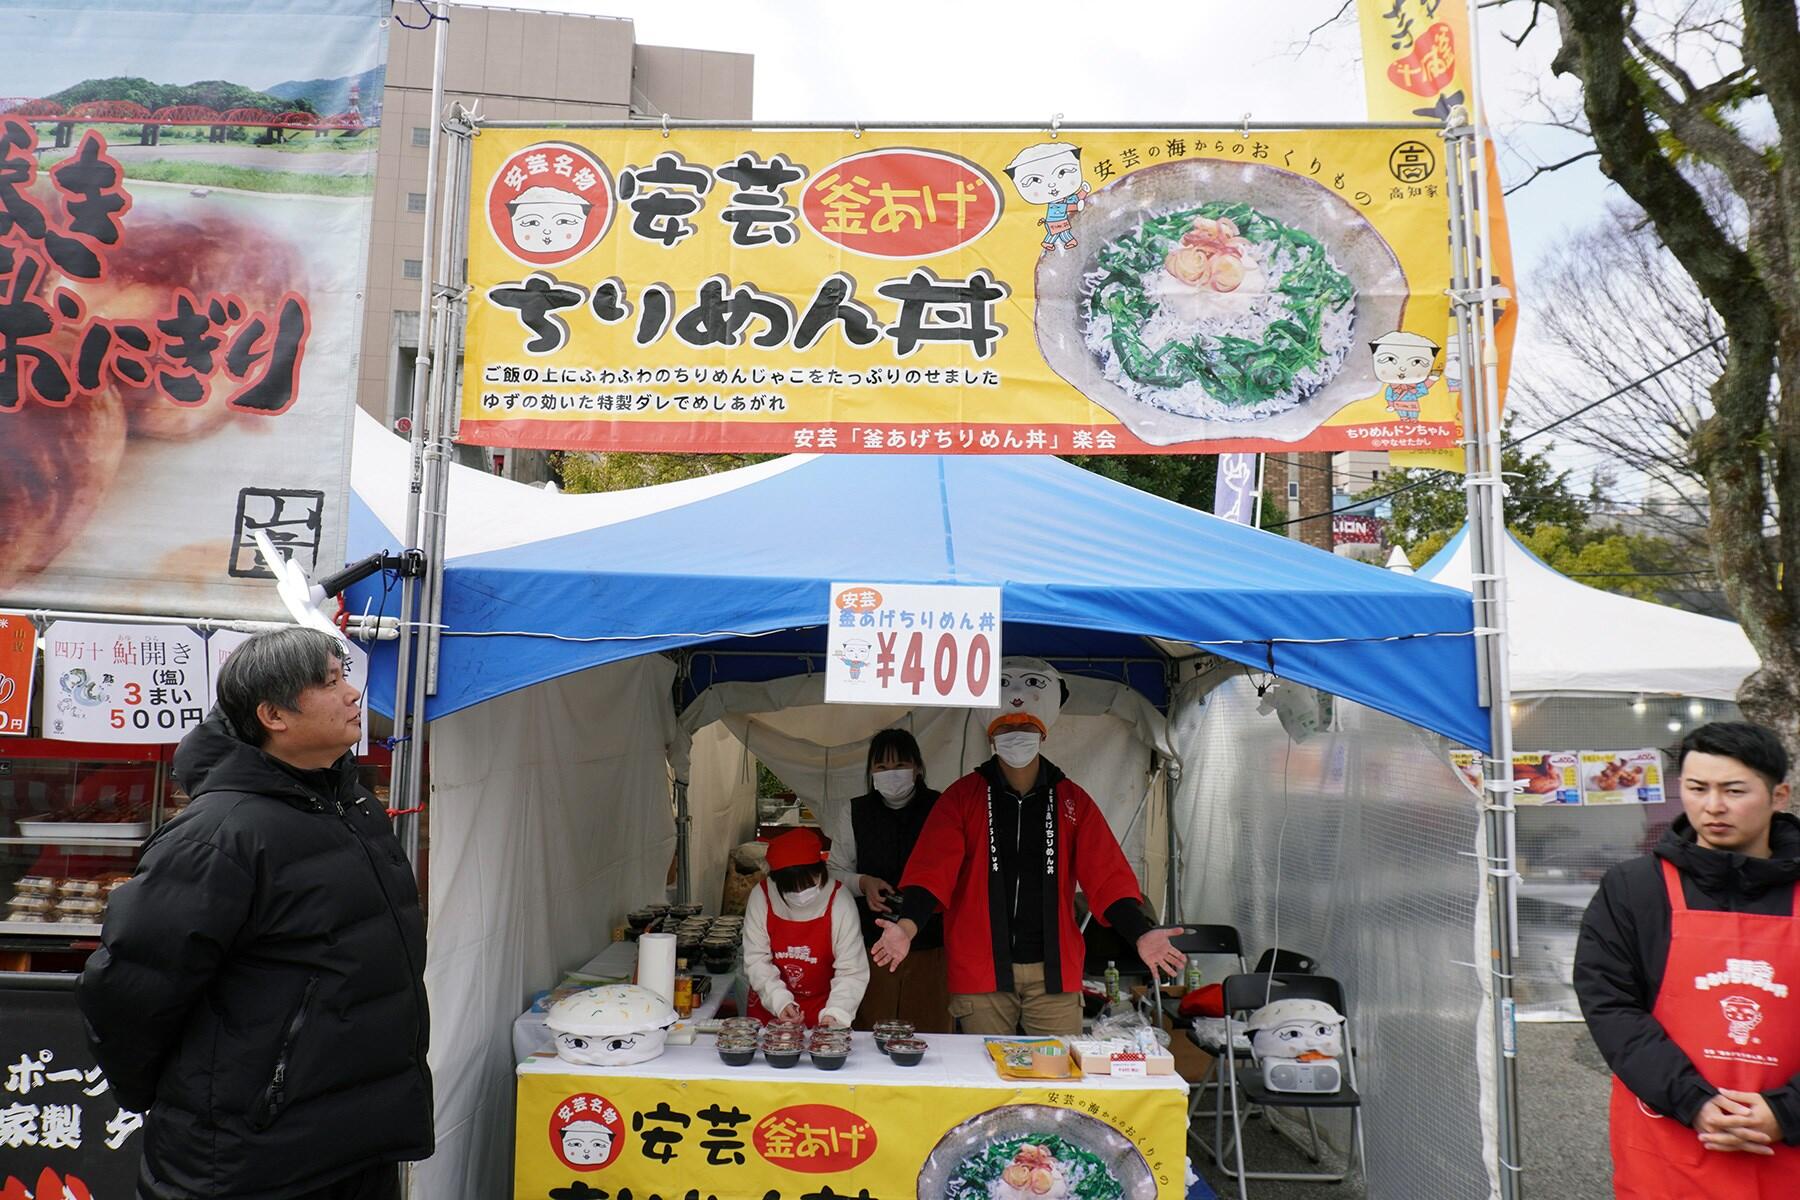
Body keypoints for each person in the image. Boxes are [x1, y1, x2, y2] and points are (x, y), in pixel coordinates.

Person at [78, 628, 432, 1200]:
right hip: (250, 1159)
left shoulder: (353, 805)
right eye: (330, 682)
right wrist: (204, 1100)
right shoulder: (218, 835)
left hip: (358, 1139)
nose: (352, 694)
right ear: (274, 715)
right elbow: (128, 992)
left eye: (346, 677)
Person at [872, 657, 1185, 1035]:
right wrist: (906, 927)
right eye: (1007, 723)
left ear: (1046, 727)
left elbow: (1108, 878)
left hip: (1054, 971)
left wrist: (1140, 931)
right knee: (986, 1080)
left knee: (1053, 1083)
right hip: (981, 970)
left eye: (1025, 724)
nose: (1017, 725)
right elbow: (931, 872)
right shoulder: (961, 799)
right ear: (987, 728)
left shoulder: (1072, 802)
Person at [1575, 720, 1800, 1198]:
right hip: (1671, 1143)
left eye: (1734, 790)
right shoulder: (1636, 889)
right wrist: (1694, 1100)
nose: (1713, 806)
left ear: (1779, 795)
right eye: (1697, 789)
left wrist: (1786, 1112)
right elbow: (1610, 1005)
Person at [826, 728, 950, 1031]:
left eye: (899, 766)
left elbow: (953, 872)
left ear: (917, 768)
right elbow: (834, 871)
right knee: (871, 1032)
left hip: (931, 944)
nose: (890, 774)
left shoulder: (941, 807)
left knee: (928, 1031)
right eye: (881, 767)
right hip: (871, 944)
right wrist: (863, 882)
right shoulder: (856, 811)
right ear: (870, 772)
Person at [743, 826, 868, 1027]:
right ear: (776, 881)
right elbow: (756, 959)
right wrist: (779, 1002)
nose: (800, 893)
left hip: (824, 1007)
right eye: (791, 888)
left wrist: (836, 1013)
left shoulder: (840, 901)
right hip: (769, 1010)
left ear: (820, 870)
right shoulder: (762, 896)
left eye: (807, 884)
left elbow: (851, 970)